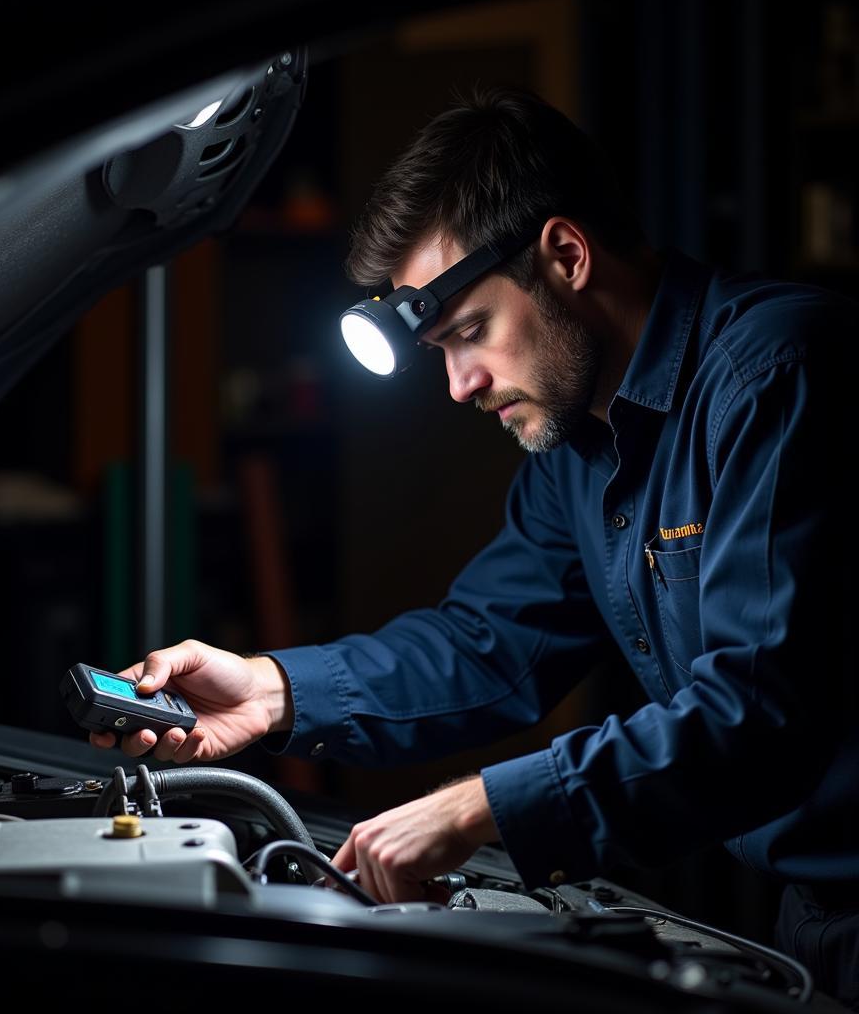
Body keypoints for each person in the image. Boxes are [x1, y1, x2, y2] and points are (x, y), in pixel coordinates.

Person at [90, 88, 859, 1005]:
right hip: (812, 915)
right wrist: (274, 690)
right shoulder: (576, 444)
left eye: (469, 334)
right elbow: (489, 646)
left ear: (566, 255)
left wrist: (477, 808)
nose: (460, 387)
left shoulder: (778, 374)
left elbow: (758, 717)